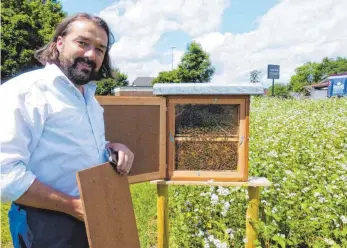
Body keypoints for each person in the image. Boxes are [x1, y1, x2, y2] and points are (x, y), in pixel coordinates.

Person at [0, 13, 134, 248]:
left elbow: (71, 148)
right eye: (82, 43)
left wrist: (111, 148)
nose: (91, 54)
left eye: (100, 49)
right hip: (42, 224)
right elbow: (5, 175)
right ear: (59, 43)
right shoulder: (24, 92)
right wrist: (73, 205)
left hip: (89, 216)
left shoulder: (89, 99)